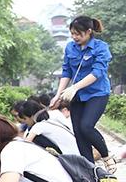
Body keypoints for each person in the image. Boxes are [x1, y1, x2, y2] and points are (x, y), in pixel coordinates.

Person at [49, 16, 116, 171]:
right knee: (78, 132)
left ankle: (106, 156)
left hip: (97, 93)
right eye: (72, 33)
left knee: (86, 126)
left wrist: (75, 87)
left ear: (89, 31)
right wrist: (58, 95)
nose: (74, 37)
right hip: (77, 96)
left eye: (78, 34)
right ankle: (89, 168)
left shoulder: (101, 47)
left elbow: (97, 72)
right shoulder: (70, 48)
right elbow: (66, 72)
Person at [13, 99, 78, 155]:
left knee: (36, 140)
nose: (25, 122)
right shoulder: (48, 121)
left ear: (32, 116)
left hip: (69, 157)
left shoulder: (39, 126)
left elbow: (26, 143)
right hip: (73, 153)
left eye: (25, 119)